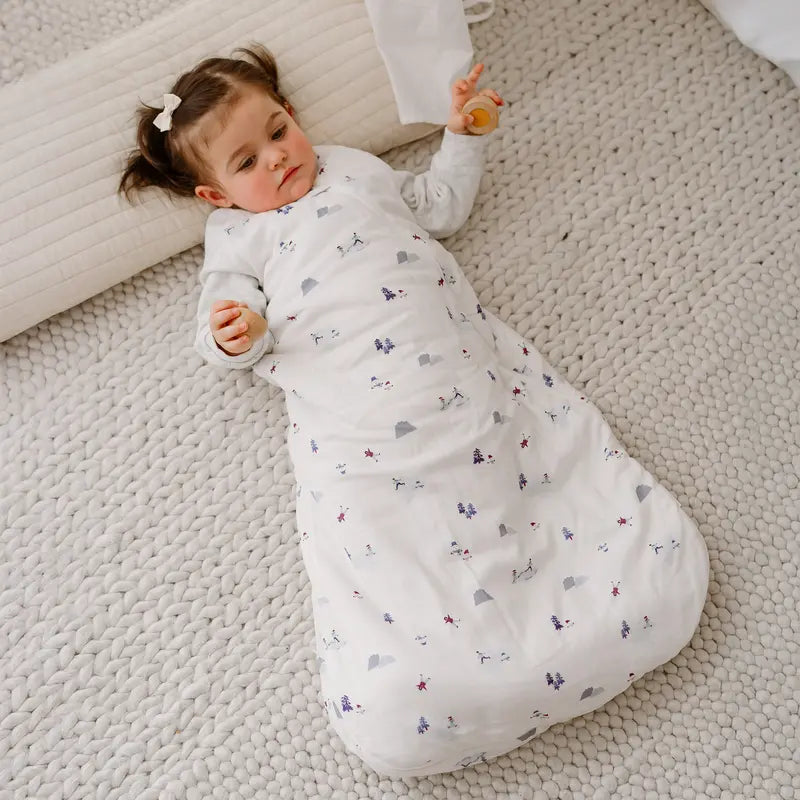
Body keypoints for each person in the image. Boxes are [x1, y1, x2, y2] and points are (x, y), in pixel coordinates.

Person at [118, 45, 708, 779]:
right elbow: (221, 327)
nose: (276, 157)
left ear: (293, 115)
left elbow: (438, 207)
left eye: (277, 131)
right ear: (217, 195)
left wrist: (463, 136)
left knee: (518, 473)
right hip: (363, 419)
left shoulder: (355, 169)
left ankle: (602, 596)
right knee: (404, 533)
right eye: (247, 162)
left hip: (459, 379)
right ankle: (447, 679)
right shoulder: (239, 238)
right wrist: (234, 333)